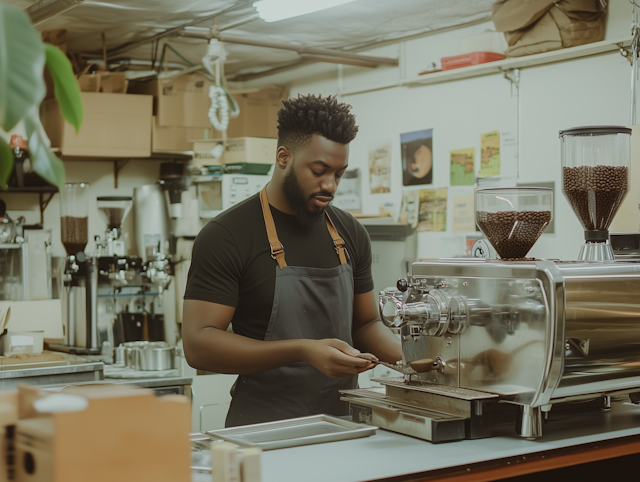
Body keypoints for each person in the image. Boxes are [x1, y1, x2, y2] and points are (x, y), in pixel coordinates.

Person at [182, 94, 402, 427]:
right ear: (284, 157)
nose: (330, 185)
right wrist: (302, 350)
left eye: (339, 174)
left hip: (343, 424)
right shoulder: (227, 235)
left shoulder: (351, 233)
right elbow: (199, 343)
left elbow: (366, 325)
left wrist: (413, 358)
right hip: (262, 428)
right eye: (319, 170)